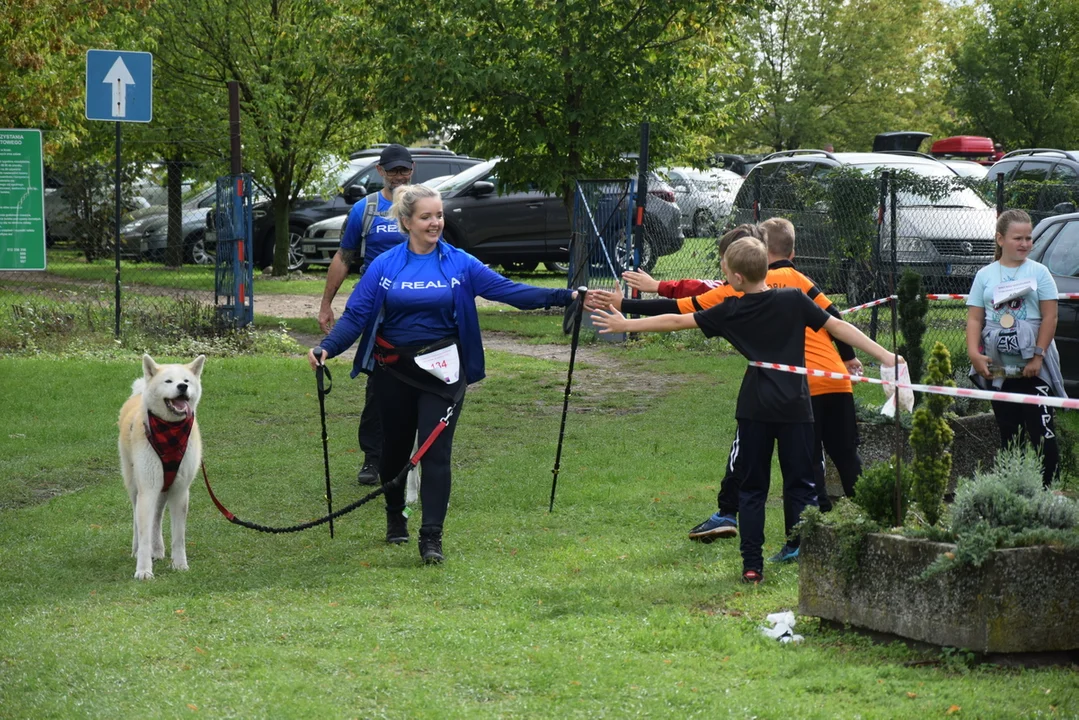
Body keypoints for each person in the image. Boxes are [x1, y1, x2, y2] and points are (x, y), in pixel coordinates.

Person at [590, 237, 900, 584]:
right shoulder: (794, 299)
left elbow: (678, 322)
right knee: (801, 483)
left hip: (755, 407)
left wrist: (625, 324)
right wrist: (885, 355)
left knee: (753, 489)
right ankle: (801, 548)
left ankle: (752, 566)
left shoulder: (731, 309)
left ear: (736, 278)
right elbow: (837, 325)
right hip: (797, 407)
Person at [309, 184, 577, 564]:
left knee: (436, 452)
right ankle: (395, 516)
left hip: (443, 372)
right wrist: (328, 348)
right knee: (395, 452)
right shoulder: (386, 265)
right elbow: (356, 315)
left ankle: (431, 537)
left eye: (439, 215)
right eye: (426, 217)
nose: (436, 222)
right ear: (407, 222)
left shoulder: (459, 262)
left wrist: (564, 296)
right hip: (393, 370)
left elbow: (508, 291)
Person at [319, 144, 415, 486]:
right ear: (380, 171)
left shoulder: (424, 207)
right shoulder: (366, 209)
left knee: (423, 384)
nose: (400, 175)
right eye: (394, 170)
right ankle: (373, 459)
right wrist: (327, 303)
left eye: (405, 170)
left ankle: (417, 460)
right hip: (377, 311)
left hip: (418, 309)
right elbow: (344, 257)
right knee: (379, 384)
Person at [966, 209, 1063, 488]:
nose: (1024, 244)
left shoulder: (1040, 273)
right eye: (1017, 238)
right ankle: (1012, 488)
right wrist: (974, 353)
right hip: (999, 368)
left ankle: (1050, 490)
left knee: (1041, 430)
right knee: (1008, 430)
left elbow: (1050, 317)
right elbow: (975, 318)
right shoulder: (984, 275)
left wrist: (1038, 355)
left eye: (1028, 238)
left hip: (1034, 367)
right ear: (1000, 239)